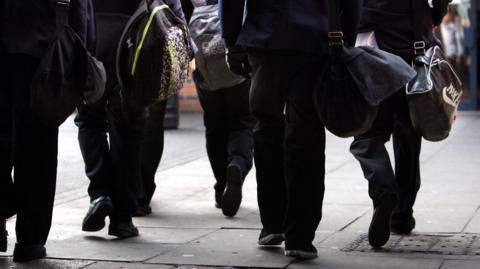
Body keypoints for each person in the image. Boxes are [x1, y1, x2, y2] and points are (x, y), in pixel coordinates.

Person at [220, 0, 361, 258]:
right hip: (315, 40)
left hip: (265, 37)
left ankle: (272, 224)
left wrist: (231, 41)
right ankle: (300, 236)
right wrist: (347, 39)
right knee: (306, 134)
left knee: (266, 128)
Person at [76, 0, 188, 237]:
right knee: (128, 131)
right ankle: (122, 218)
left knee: (90, 121)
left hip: (92, 41)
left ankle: (100, 194)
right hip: (136, 47)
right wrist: (185, 42)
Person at [350, 0, 451, 248]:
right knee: (408, 133)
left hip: (370, 43)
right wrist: (434, 15)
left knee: (368, 134)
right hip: (412, 36)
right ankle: (401, 214)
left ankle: (384, 190)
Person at [0, 0, 94, 262]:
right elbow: (80, 9)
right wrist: (81, 51)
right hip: (41, 53)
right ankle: (30, 240)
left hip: (30, 49)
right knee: (37, 149)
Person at [181, 0, 256, 217]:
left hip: (205, 67)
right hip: (235, 61)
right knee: (243, 121)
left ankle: (221, 185)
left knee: (214, 125)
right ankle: (238, 166)